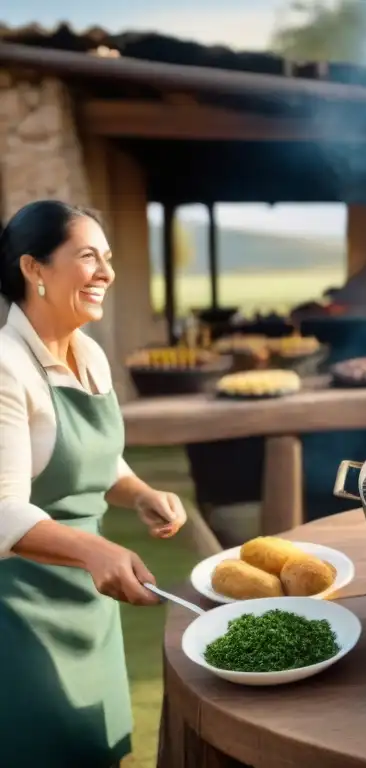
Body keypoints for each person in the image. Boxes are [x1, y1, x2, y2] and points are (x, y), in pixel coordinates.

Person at [0, 200, 188, 767]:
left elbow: (98, 462)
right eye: (88, 257)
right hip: (21, 610)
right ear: (34, 269)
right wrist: (93, 548)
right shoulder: (6, 368)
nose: (106, 271)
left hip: (91, 600)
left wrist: (140, 493)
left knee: (96, 750)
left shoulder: (91, 355)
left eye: (107, 257)